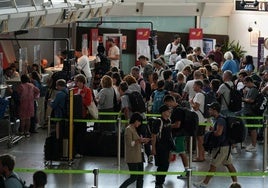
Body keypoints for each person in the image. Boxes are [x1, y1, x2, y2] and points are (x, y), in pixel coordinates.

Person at [193, 102, 238, 188]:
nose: (209, 111)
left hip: (221, 147)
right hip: (225, 146)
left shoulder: (220, 120)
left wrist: (210, 133)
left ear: (215, 110)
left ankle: (204, 183)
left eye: (210, 109)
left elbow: (218, 133)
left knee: (213, 165)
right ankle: (236, 183)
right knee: (229, 165)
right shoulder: (219, 119)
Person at [119, 113, 150, 188]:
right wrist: (139, 141)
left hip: (139, 156)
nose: (139, 124)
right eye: (139, 122)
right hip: (132, 157)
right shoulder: (128, 129)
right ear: (135, 120)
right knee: (134, 177)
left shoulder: (135, 129)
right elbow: (130, 143)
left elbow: (136, 141)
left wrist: (143, 140)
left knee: (140, 177)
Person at [163, 95, 189, 178]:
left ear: (171, 101)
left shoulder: (177, 111)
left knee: (176, 152)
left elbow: (177, 125)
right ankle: (186, 171)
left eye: (167, 104)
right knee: (180, 153)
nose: (168, 106)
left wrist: (167, 126)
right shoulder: (177, 109)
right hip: (179, 134)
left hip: (178, 135)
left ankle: (162, 171)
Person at [151, 105, 174, 188]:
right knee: (162, 165)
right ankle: (158, 183)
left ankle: (161, 181)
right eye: (168, 111)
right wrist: (153, 148)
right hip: (160, 146)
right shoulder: (158, 121)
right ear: (163, 112)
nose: (170, 112)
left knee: (166, 164)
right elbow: (153, 135)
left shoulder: (169, 121)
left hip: (167, 146)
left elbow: (170, 134)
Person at [73, 74, 93, 157]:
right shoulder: (73, 90)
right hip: (74, 115)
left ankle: (80, 151)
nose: (78, 83)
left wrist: (80, 99)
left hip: (82, 115)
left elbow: (88, 102)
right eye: (77, 82)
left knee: (81, 134)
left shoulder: (87, 90)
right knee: (74, 134)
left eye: (80, 82)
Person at [190, 80, 206, 162]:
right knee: (199, 138)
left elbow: (196, 107)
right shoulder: (200, 94)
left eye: (194, 85)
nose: (193, 87)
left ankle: (200, 156)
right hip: (200, 119)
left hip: (199, 120)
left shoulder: (199, 95)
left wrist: (191, 102)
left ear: (199, 86)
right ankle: (201, 155)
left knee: (200, 139)